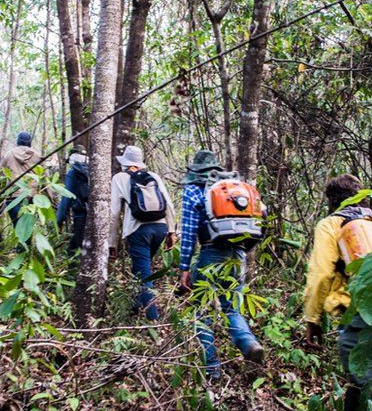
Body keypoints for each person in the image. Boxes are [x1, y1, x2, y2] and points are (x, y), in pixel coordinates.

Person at [301, 174, 372, 411]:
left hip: (361, 313)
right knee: (357, 380)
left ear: (331, 200)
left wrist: (312, 319)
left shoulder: (332, 224)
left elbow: (321, 274)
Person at [177, 150, 264, 378]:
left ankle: (212, 367)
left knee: (201, 310)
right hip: (237, 254)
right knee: (231, 307)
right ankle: (248, 343)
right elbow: (259, 220)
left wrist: (184, 268)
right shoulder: (233, 188)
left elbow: (187, 233)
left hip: (210, 253)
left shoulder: (194, 190)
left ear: (194, 170)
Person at [109, 145, 176, 320]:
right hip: (160, 229)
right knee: (140, 269)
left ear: (125, 162)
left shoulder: (119, 178)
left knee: (144, 274)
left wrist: (111, 243)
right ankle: (134, 308)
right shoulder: (154, 176)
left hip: (138, 231)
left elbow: (114, 212)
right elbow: (168, 204)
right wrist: (171, 232)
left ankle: (153, 320)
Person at [0, 132, 41, 224]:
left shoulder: (9, 155)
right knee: (28, 226)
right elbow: (43, 176)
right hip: (32, 196)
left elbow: (0, 175)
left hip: (14, 196)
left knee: (18, 226)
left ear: (18, 141)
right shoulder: (37, 155)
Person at [56, 145, 90, 255]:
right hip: (96, 215)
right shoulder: (94, 170)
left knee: (80, 251)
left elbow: (66, 198)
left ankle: (77, 270)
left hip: (80, 216)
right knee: (75, 247)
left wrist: (59, 220)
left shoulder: (72, 173)